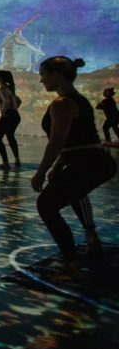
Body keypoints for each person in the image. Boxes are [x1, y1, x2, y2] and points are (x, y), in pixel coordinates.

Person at [31, 56, 114, 261]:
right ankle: (92, 239)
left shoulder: (62, 104)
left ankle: (71, 265)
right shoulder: (78, 99)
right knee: (75, 190)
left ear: (57, 75)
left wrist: (40, 173)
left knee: (46, 205)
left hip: (90, 163)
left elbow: (57, 142)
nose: (41, 80)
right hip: (95, 161)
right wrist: (58, 167)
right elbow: (75, 142)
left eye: (43, 75)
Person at [0, 70, 22, 168]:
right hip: (15, 115)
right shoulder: (9, 88)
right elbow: (19, 101)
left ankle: (5, 163)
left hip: (8, 115)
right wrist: (14, 109)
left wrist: (3, 113)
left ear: (0, 78)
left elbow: (6, 101)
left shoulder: (2, 89)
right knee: (10, 136)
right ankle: (17, 159)